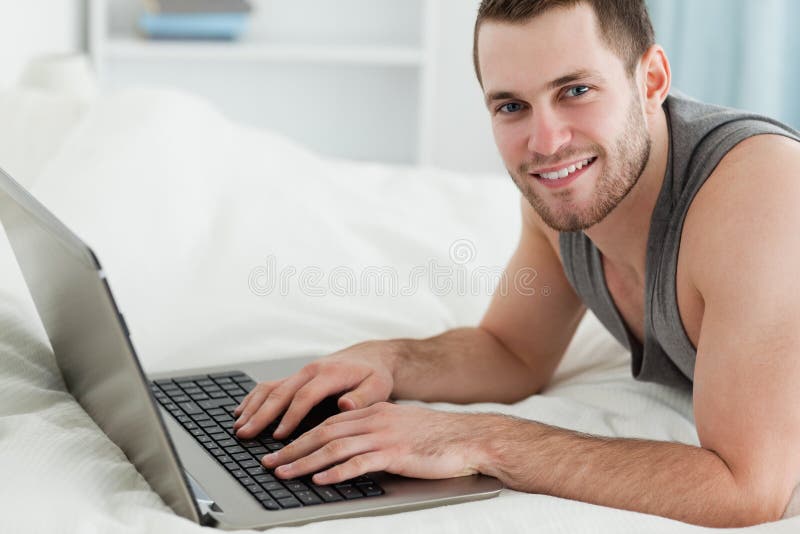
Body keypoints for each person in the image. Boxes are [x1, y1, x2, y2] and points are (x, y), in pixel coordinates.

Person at [232, 0, 800, 527]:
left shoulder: (760, 193)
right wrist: (388, 358)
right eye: (512, 106)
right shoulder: (564, 196)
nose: (545, 141)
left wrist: (481, 440)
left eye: (576, 90)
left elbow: (747, 489)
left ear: (651, 80)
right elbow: (515, 352)